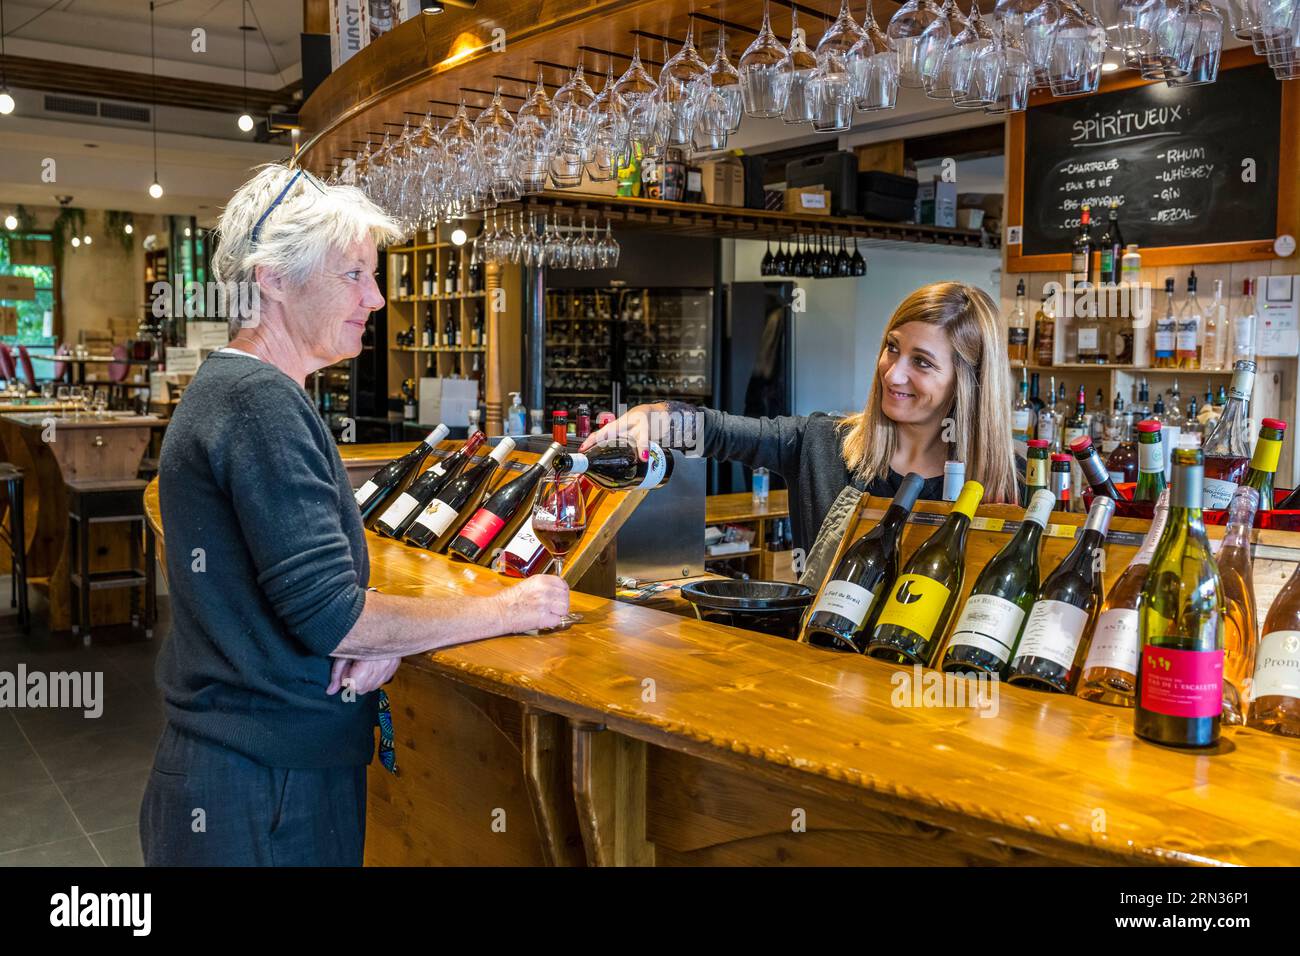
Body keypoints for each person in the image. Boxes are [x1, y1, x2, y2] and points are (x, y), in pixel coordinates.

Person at [141, 164, 569, 866]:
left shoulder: (238, 390)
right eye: (353, 275)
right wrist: (511, 607)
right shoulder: (258, 402)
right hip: (263, 790)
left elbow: (311, 610)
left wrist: (379, 641)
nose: (374, 297)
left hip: (246, 773)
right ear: (272, 278)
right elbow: (333, 615)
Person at [582, 281, 1020, 585]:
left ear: (967, 382)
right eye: (892, 348)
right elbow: (723, 432)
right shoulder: (822, 444)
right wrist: (655, 417)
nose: (893, 372)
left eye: (921, 362)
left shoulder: (1008, 482)